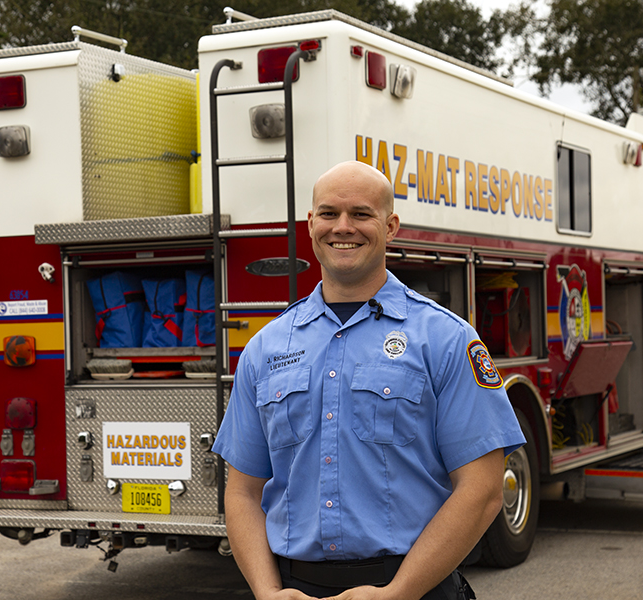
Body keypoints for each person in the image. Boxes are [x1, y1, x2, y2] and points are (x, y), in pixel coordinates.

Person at [211, 161, 526, 600]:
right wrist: (267, 593)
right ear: (310, 224)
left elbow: (484, 488)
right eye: (328, 213)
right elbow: (243, 491)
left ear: (390, 225)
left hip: (415, 587)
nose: (343, 227)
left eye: (361, 214)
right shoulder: (265, 348)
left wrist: (398, 592)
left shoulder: (446, 339)